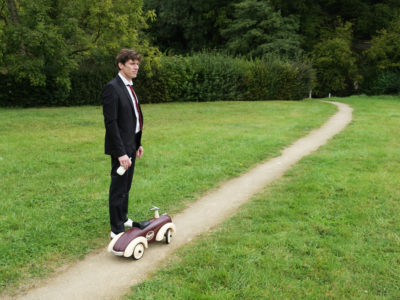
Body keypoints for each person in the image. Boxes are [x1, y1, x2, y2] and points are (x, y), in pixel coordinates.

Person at [102, 49, 144, 239]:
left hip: (130, 146)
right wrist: (121, 153)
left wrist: (137, 143)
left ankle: (123, 218)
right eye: (132, 64)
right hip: (121, 149)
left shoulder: (129, 87)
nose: (136, 67)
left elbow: (132, 119)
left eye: (137, 64)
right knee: (118, 187)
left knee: (126, 186)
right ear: (121, 65)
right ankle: (116, 229)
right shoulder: (113, 87)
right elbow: (111, 123)